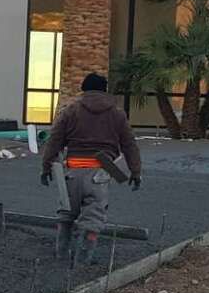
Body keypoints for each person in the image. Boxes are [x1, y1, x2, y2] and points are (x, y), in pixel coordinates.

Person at [39, 72, 143, 258]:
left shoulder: (70, 111)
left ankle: (61, 253)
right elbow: (129, 145)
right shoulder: (117, 114)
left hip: (72, 171)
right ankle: (84, 257)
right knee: (93, 217)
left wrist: (46, 168)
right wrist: (136, 172)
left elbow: (54, 141)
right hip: (101, 172)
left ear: (83, 89)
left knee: (66, 213)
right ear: (104, 90)